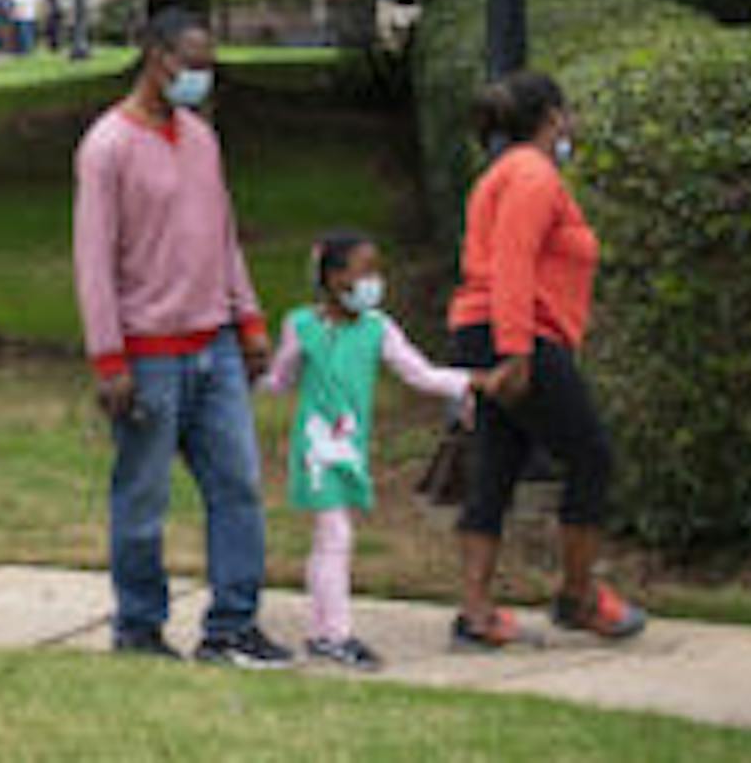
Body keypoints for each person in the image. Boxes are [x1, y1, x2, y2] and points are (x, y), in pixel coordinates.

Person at [72, 7, 290, 667]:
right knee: (142, 497)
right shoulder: (107, 145)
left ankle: (232, 625)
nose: (200, 76)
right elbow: (93, 262)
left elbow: (223, 236)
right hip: (147, 354)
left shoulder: (201, 137)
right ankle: (139, 626)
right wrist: (109, 359)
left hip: (217, 346)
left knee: (239, 485)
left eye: (208, 65)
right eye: (190, 64)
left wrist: (248, 321)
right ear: (154, 56)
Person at [448, 71, 647, 648]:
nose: (573, 126)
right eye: (569, 115)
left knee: (497, 466)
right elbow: (513, 264)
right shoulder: (533, 175)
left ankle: (476, 613)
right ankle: (578, 597)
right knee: (591, 457)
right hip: (517, 335)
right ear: (553, 117)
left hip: (488, 330)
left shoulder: (504, 173)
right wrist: (517, 352)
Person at [261, 232, 506, 670]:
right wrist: (248, 374)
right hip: (316, 450)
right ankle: (334, 634)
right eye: (366, 271)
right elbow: (280, 377)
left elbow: (419, 373)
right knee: (336, 535)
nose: (376, 281)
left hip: (349, 447)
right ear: (336, 279)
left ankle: (322, 632)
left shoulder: (378, 329)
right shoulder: (302, 327)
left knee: (329, 539)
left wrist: (469, 381)